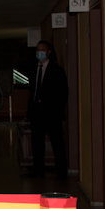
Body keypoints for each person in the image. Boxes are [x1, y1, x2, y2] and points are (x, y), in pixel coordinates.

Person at [27, 40, 69, 179]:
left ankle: (61, 172)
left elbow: (63, 93)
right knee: (37, 143)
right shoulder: (33, 69)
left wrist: (58, 110)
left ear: (49, 52)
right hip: (36, 112)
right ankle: (38, 170)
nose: (39, 52)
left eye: (43, 49)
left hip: (52, 113)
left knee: (57, 142)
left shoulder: (57, 71)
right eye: (38, 49)